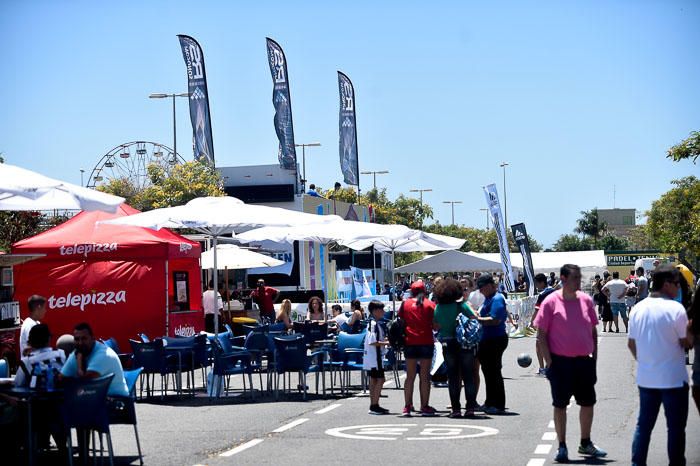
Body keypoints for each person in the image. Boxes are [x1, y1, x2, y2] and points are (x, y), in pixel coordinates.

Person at [534, 264, 606, 463]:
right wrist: (549, 363)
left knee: (588, 402)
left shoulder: (586, 300)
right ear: (563, 279)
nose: (578, 281)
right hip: (560, 363)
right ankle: (562, 446)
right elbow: (541, 335)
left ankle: (585, 442)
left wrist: (594, 360)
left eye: (579, 277)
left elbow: (592, 331)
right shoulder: (550, 302)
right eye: (575, 277)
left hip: (584, 362)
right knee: (560, 405)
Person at [627, 264, 691, 466]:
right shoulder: (676, 309)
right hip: (674, 379)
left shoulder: (638, 308)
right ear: (666, 284)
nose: (679, 288)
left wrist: (645, 361)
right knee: (675, 428)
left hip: (647, 379)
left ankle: (637, 463)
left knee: (643, 426)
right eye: (677, 284)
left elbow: (631, 343)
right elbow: (686, 342)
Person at [433, 277, 479, 418]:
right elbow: (474, 317)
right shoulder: (461, 305)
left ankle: (455, 409)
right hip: (464, 344)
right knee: (468, 375)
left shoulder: (438, 308)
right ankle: (470, 408)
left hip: (447, 343)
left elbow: (436, 326)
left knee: (453, 377)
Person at [60, 322, 129, 398]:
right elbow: (61, 378)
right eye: (77, 339)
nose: (80, 343)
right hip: (96, 399)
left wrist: (79, 366)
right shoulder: (78, 352)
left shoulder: (103, 355)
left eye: (84, 338)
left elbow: (85, 384)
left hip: (117, 402)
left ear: (92, 338)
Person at [399, 280, 437, 417]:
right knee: (425, 376)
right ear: (424, 291)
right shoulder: (430, 304)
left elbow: (402, 321)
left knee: (410, 376)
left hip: (410, 342)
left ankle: (407, 406)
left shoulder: (405, 304)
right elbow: (435, 325)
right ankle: (424, 406)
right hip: (426, 341)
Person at [475, 274, 509, 415]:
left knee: (494, 372)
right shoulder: (489, 298)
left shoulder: (497, 298)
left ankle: (498, 404)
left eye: (482, 288)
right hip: (487, 339)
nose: (480, 291)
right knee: (488, 372)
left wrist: (478, 318)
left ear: (489, 286)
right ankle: (490, 401)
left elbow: (495, 319)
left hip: (495, 339)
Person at [363, 301, 389, 415]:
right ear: (374, 311)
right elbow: (372, 342)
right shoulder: (373, 324)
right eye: (381, 310)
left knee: (374, 380)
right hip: (375, 357)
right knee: (380, 379)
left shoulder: (373, 323)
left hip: (372, 357)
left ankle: (374, 404)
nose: (383, 312)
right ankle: (374, 405)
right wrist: (387, 343)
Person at [529, 273, 556, 376]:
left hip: (544, 322)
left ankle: (542, 368)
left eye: (536, 283)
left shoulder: (543, 294)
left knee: (539, 344)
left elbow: (537, 310)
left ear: (541, 282)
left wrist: (532, 322)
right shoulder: (554, 291)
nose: (536, 286)